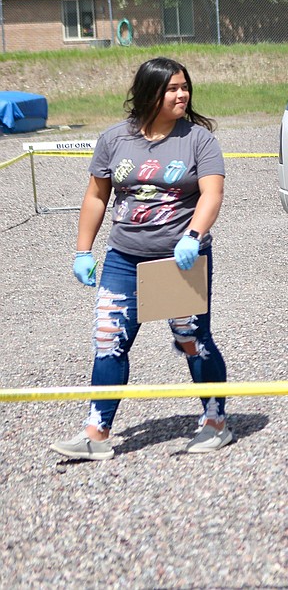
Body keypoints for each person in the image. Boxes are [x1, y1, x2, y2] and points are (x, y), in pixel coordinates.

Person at [51, 57, 231, 461]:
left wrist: (192, 236)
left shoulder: (199, 140)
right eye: (172, 88)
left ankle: (216, 422)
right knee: (108, 341)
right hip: (123, 257)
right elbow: (96, 196)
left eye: (185, 87)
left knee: (190, 340)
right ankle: (96, 434)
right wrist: (83, 250)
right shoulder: (116, 139)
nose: (182, 94)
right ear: (150, 92)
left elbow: (211, 194)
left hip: (178, 260)